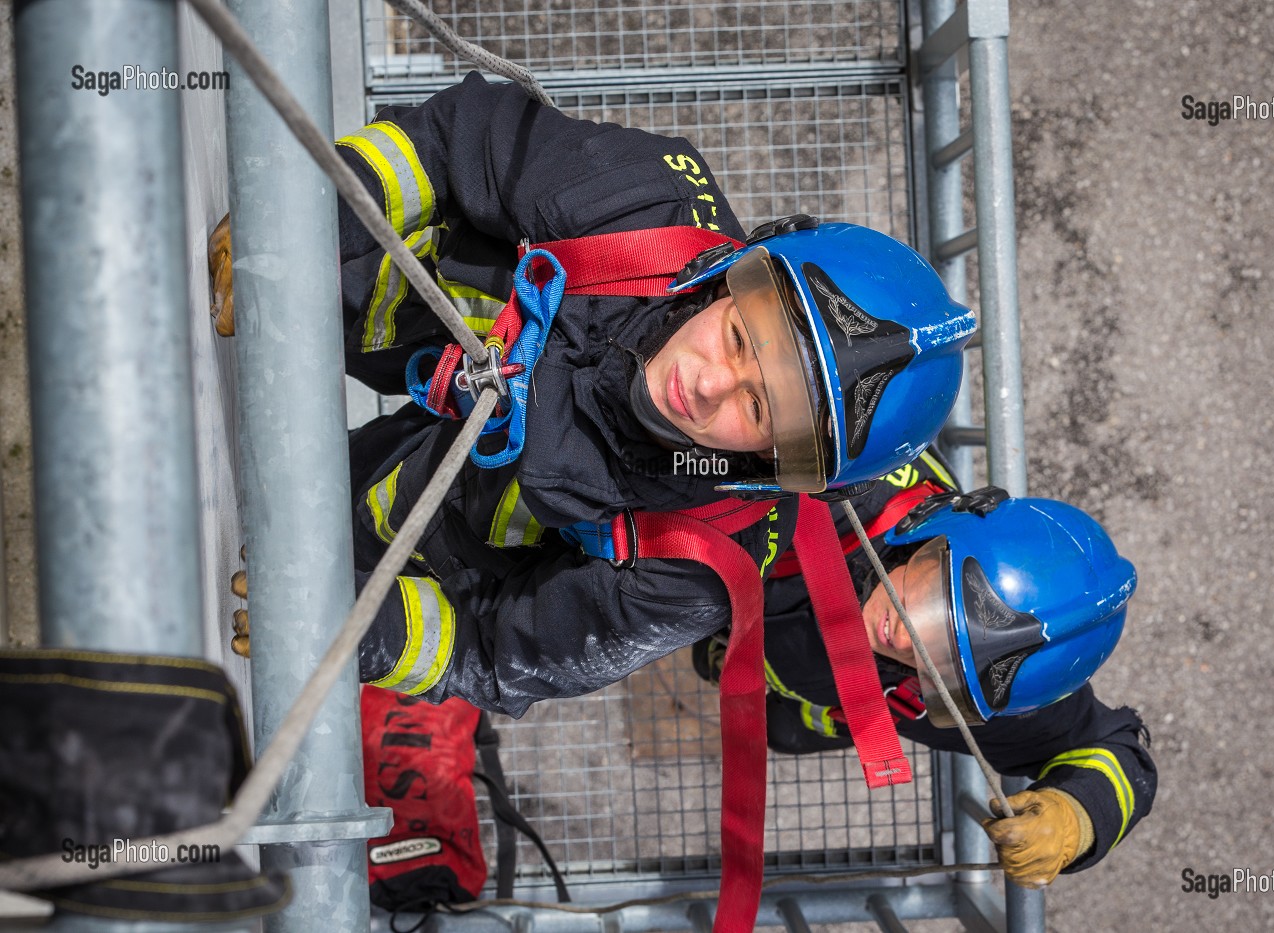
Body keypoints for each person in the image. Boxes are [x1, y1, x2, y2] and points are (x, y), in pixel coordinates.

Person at [209, 72, 1152, 891]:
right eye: (739, 338)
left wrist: (354, 624)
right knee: (362, 280)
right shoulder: (647, 211)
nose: (706, 384)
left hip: (597, 520)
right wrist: (298, 224)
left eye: (760, 413)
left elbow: (507, 651)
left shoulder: (720, 567)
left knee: (347, 537)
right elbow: (464, 136)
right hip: (480, 343)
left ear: (793, 468)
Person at [693, 463, 1157, 888]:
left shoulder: (999, 684)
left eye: (946, 663)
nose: (906, 639)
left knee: (782, 728)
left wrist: (1075, 818)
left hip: (772, 678)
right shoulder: (846, 484)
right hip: (705, 578)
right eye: (936, 602)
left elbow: (1120, 755)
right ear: (933, 535)